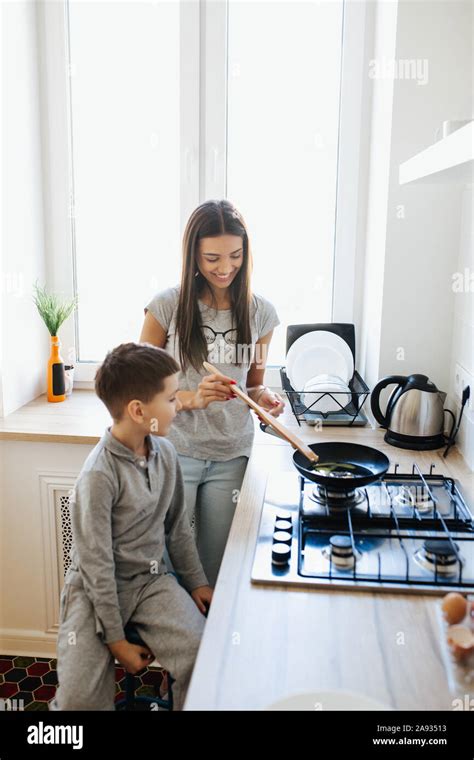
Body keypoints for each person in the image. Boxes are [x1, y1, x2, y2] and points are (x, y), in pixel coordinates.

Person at [49, 342, 213, 711]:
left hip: (150, 583)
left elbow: (176, 528)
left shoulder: (167, 454)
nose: (178, 406)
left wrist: (197, 580)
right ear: (138, 410)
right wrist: (115, 640)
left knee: (205, 656)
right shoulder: (98, 476)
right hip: (93, 591)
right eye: (171, 400)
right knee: (78, 700)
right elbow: (97, 564)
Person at [140, 199, 285, 587]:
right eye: (212, 258)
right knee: (166, 563)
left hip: (231, 453)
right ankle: (174, 642)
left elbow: (254, 382)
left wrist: (264, 398)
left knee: (215, 566)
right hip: (175, 450)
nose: (224, 268)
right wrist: (192, 398)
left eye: (235, 256)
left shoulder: (261, 313)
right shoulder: (166, 307)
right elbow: (140, 390)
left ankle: (209, 643)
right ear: (193, 256)